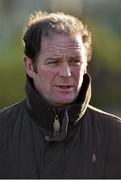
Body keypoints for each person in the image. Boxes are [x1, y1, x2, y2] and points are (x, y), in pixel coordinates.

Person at [0, 10, 121, 179]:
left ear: (86, 64)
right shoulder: (3, 130)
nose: (66, 73)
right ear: (29, 66)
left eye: (75, 61)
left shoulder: (115, 135)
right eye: (54, 62)